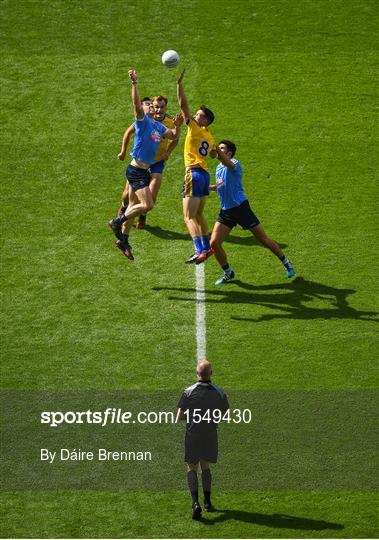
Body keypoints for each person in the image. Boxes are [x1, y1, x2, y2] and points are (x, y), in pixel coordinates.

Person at [109, 71, 182, 259]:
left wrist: (179, 125)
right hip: (136, 170)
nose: (152, 107)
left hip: (142, 171)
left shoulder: (158, 126)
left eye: (153, 105)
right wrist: (134, 83)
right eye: (148, 104)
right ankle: (118, 221)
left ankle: (123, 240)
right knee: (147, 205)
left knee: (134, 205)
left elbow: (173, 136)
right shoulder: (141, 121)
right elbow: (136, 104)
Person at [209, 139, 296, 284]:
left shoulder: (235, 163)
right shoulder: (218, 167)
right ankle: (228, 272)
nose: (218, 149)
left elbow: (228, 164)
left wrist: (215, 149)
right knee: (214, 243)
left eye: (222, 148)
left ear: (229, 153)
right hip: (226, 211)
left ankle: (286, 262)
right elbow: (223, 183)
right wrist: (214, 187)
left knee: (263, 239)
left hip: (241, 208)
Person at [117, 95, 180, 229]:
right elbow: (128, 133)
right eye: (156, 107)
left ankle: (142, 214)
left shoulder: (168, 122)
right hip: (140, 163)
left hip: (157, 162)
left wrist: (168, 152)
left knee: (152, 195)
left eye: (162, 107)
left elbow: (175, 138)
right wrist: (123, 152)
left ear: (166, 107)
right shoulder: (145, 120)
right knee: (126, 195)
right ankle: (124, 209)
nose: (159, 110)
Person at [177, 359, 229, 520]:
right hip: (210, 434)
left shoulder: (188, 391)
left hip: (193, 434)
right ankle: (207, 502)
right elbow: (225, 415)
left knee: (191, 467)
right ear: (211, 374)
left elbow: (179, 417)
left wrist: (194, 415)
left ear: (197, 374)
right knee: (205, 466)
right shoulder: (220, 392)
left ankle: (195, 503)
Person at [176, 69, 218, 264]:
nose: (194, 115)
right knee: (199, 214)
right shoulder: (210, 137)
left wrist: (179, 85)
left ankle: (200, 250)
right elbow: (213, 153)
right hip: (205, 176)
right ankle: (207, 247)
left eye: (198, 115)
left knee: (188, 217)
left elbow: (183, 104)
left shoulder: (194, 127)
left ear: (204, 121)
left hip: (193, 173)